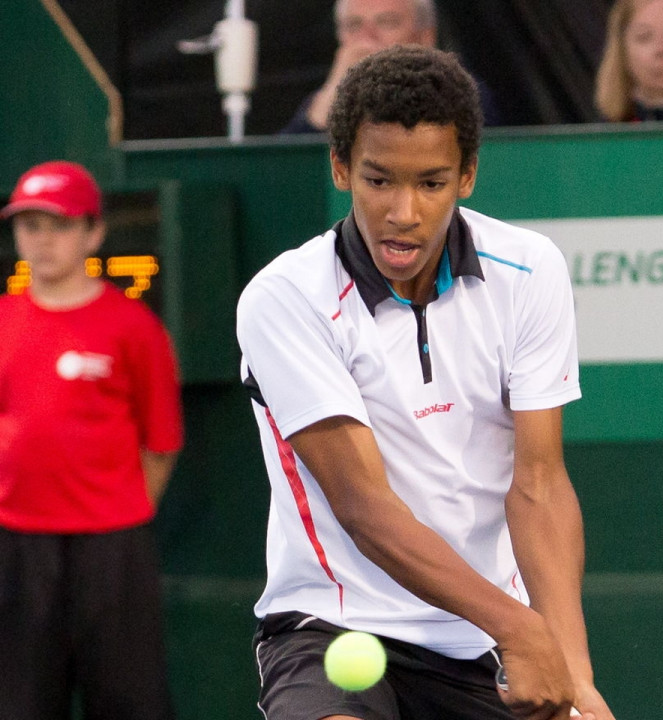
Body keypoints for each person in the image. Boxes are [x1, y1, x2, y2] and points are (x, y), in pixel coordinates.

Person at [238, 45, 615, 720]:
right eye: (379, 181)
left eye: (431, 183)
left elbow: (539, 485)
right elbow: (365, 510)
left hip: (479, 641)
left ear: (467, 176)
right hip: (331, 626)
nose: (403, 212)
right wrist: (521, 628)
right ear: (341, 166)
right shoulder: (285, 297)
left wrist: (570, 669)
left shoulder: (530, 271)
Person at [0, 160, 184, 719]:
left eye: (59, 224)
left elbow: (162, 442)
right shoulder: (4, 319)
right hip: (16, 545)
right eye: (30, 225)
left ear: (94, 232)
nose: (43, 240)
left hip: (110, 549)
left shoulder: (134, 328)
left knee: (128, 702)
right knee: (21, 703)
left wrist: (117, 513)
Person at [280, 0, 502, 133]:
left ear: (425, 36)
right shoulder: (326, 101)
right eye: (354, 25)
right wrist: (334, 89)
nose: (367, 38)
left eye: (386, 22)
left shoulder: (465, 94)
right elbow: (288, 164)